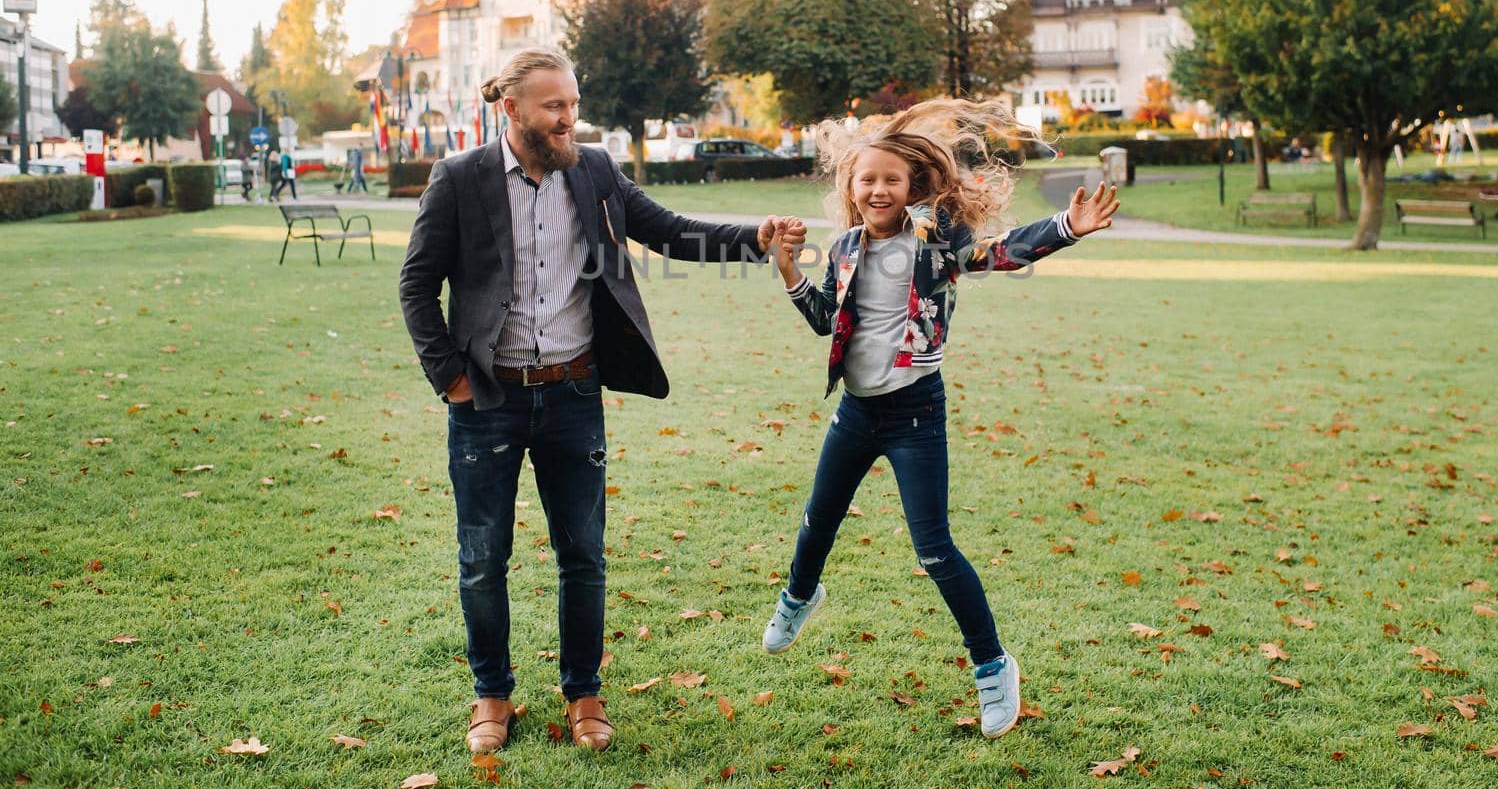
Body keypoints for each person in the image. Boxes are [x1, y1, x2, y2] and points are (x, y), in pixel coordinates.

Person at [399, 48, 803, 756]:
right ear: (512, 108)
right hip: (487, 401)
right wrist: (452, 380)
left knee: (582, 555)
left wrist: (754, 238)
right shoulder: (459, 179)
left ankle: (583, 691)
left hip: (573, 393)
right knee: (482, 557)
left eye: (574, 105)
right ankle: (491, 694)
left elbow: (670, 229)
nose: (569, 119)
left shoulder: (593, 170)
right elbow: (416, 284)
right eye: (555, 107)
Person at [764, 99, 1119, 740]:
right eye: (866, 180)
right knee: (818, 521)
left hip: (914, 414)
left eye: (891, 181)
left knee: (933, 549)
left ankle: (992, 666)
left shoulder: (935, 241)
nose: (877, 189)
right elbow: (826, 320)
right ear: (851, 187)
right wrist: (789, 269)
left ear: (911, 189)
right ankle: (798, 597)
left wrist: (1066, 226)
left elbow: (1000, 252)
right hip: (855, 412)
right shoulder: (844, 248)